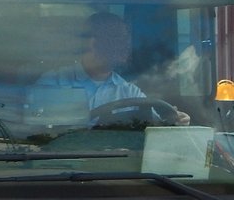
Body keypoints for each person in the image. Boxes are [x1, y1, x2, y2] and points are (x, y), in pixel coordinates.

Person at [37, 11, 190, 124]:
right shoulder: (52, 83)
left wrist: (176, 121)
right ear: (91, 42)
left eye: (125, 39)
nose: (124, 46)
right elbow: (35, 136)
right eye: (116, 38)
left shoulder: (129, 91)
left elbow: (155, 129)